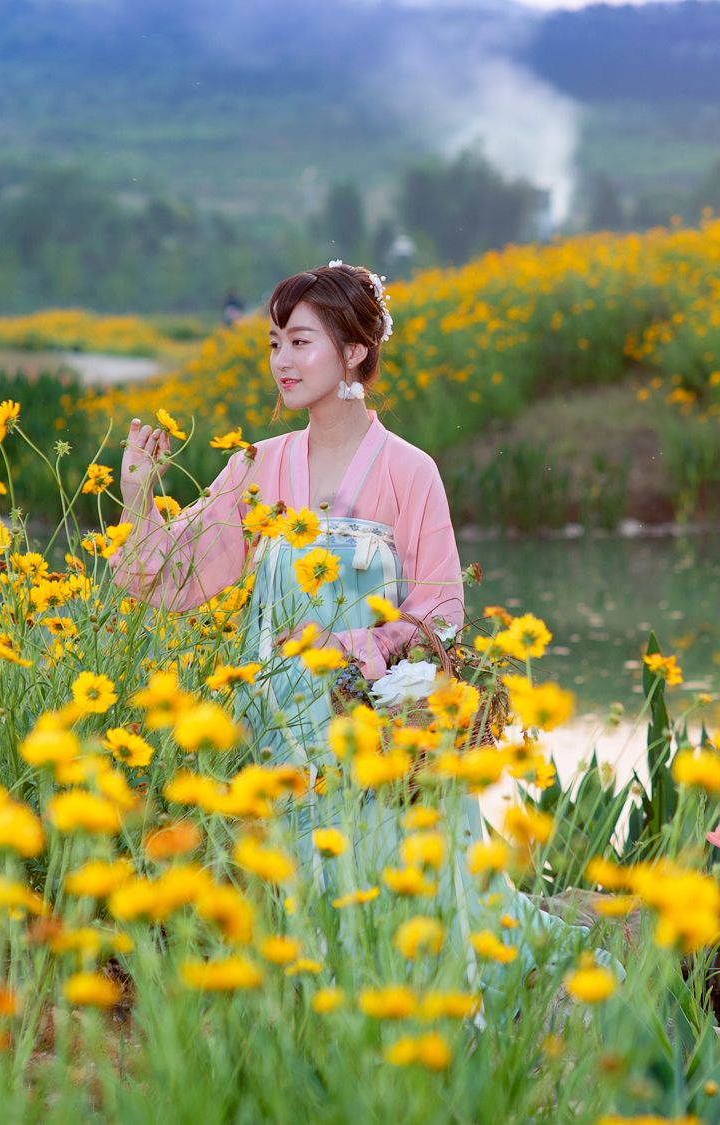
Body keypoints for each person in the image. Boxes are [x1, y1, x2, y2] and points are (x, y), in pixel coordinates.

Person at [110, 261, 607, 989]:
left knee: (405, 905)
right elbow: (178, 579)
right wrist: (136, 496)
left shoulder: (409, 469)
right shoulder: (259, 466)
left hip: (375, 731)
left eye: (301, 341)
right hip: (275, 726)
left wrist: (352, 647)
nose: (282, 360)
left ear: (354, 353)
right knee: (300, 909)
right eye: (275, 342)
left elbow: (440, 608)